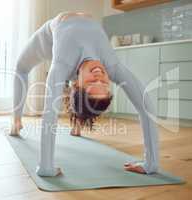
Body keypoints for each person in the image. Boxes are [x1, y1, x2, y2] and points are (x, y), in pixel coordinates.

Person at [10, 11, 159, 177]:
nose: (99, 75)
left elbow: (50, 111)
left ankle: (15, 121)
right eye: (104, 83)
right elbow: (146, 105)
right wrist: (151, 164)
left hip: (47, 39)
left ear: (75, 83)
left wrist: (46, 166)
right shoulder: (112, 66)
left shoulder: (62, 63)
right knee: (81, 94)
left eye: (91, 83)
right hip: (73, 58)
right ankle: (74, 123)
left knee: (20, 67)